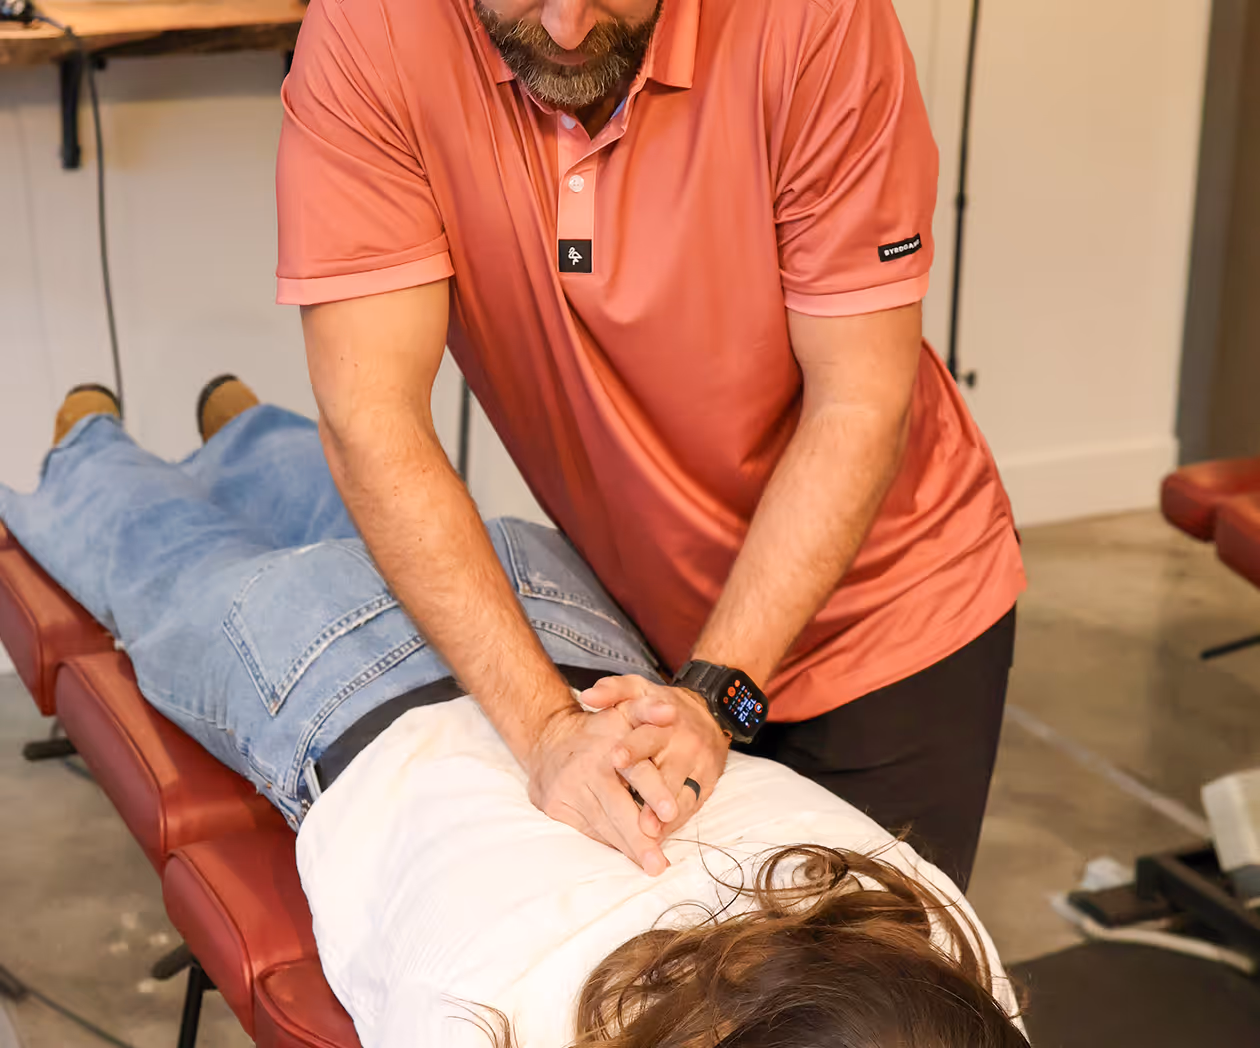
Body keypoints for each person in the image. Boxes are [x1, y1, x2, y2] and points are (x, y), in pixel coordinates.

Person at [0, 384, 1028, 1047]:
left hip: (557, 627)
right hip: (330, 681)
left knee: (360, 497)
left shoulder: (944, 944)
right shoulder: (493, 1023)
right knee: (157, 544)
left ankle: (239, 416)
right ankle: (86, 432)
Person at [275, 0, 1026, 889]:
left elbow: (858, 401)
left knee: (865, 1006)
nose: (562, 28)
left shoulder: (815, 19)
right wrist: (548, 728)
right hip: (637, 620)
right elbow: (373, 420)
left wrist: (716, 695)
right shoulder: (374, 27)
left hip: (888, 617)